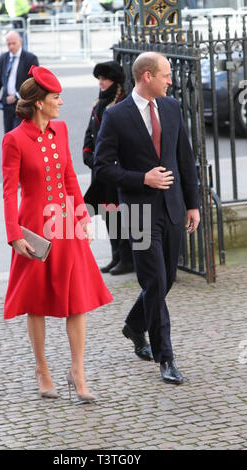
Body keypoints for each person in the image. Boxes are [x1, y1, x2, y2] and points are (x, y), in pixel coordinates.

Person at [2, 65, 113, 402]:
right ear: (39, 103)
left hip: (66, 225)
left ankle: (77, 372)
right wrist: (13, 234)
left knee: (76, 300)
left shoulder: (61, 130)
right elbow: (9, 192)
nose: (61, 102)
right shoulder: (13, 140)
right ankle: (42, 368)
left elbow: (68, 177)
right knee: (36, 303)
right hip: (35, 229)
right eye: (55, 97)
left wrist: (82, 217)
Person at [94, 52, 200, 385]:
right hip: (138, 212)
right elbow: (103, 168)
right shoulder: (116, 116)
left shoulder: (170, 108)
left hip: (171, 207)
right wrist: (143, 179)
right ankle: (166, 357)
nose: (171, 81)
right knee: (154, 281)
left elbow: (185, 157)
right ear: (147, 77)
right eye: (166, 75)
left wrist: (193, 204)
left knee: (165, 280)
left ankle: (134, 326)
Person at [83, 61, 134, 275]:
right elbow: (91, 130)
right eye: (99, 79)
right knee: (106, 212)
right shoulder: (100, 102)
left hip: (114, 168)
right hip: (100, 168)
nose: (101, 82)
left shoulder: (122, 102)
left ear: (114, 80)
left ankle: (127, 258)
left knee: (118, 212)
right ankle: (116, 256)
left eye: (105, 79)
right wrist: (87, 152)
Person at [0, 30, 38, 133]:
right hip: (7, 104)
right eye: (8, 44)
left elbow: (34, 83)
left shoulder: (30, 59)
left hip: (22, 104)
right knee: (8, 135)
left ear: (20, 42)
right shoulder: (4, 58)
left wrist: (17, 96)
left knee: (18, 134)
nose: (11, 47)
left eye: (13, 43)